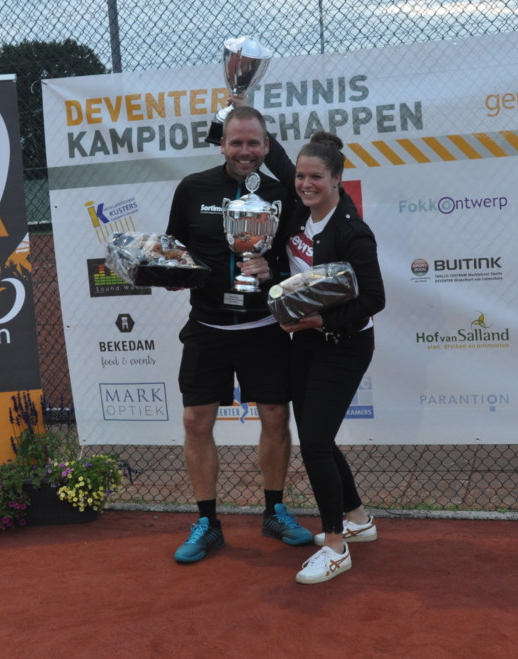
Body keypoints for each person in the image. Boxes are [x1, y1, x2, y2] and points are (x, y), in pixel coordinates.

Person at [164, 105, 313, 564]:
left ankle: (274, 511)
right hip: (207, 326)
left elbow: (298, 260)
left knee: (275, 417)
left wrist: (273, 270)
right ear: (222, 145)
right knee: (196, 421)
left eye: (253, 143)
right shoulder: (192, 189)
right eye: (236, 142)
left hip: (263, 328)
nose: (244, 151)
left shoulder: (282, 193)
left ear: (267, 146)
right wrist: (168, 272)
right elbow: (174, 250)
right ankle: (207, 521)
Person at [277, 132, 385, 584]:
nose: (305, 184)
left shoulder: (351, 230)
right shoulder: (299, 213)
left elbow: (374, 299)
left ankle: (336, 546)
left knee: (316, 443)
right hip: (306, 342)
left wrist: (321, 321)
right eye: (301, 176)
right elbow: (278, 162)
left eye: (316, 177)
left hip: (344, 344)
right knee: (316, 437)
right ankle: (358, 519)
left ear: (337, 179)